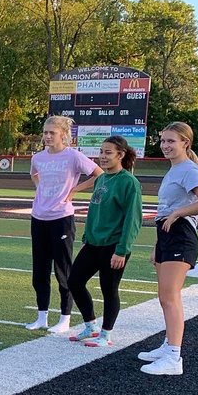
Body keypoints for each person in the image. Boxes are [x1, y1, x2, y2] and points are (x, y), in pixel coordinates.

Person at [138, 122, 198, 376]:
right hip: (167, 236)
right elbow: (164, 212)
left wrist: (179, 213)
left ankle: (174, 357)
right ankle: (168, 345)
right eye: (163, 141)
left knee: (169, 297)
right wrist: (157, 244)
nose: (165, 146)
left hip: (181, 236)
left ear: (185, 143)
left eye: (171, 141)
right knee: (167, 297)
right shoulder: (174, 170)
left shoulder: (188, 170)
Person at [25, 115, 102, 334]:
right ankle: (41, 317)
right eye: (45, 132)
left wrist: (75, 190)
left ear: (63, 135)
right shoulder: (38, 158)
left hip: (62, 219)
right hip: (39, 217)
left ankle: (65, 318)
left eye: (52, 133)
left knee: (63, 270)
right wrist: (41, 189)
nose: (47, 136)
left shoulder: (73, 156)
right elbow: (34, 175)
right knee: (39, 271)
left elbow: (99, 174)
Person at [66, 136, 143, 348]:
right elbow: (94, 213)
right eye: (101, 152)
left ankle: (105, 334)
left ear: (121, 155)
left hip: (114, 246)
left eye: (108, 152)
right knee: (74, 281)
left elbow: (133, 220)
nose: (103, 156)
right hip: (93, 243)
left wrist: (122, 250)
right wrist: (86, 238)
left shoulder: (129, 182)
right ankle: (91, 326)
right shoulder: (101, 179)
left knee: (109, 290)